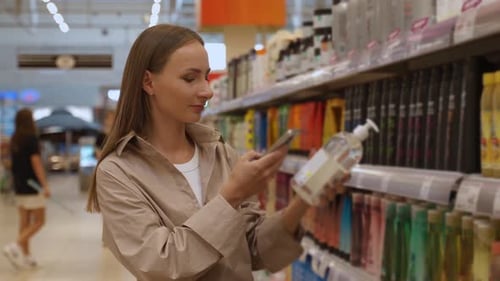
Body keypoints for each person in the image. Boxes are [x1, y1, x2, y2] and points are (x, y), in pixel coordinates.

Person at [86, 24, 338, 281]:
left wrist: (304, 199)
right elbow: (162, 264)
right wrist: (231, 196)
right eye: (189, 78)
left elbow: (253, 248)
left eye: (206, 77)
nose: (207, 90)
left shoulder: (219, 152)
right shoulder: (118, 172)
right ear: (149, 82)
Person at [3, 108, 50, 269]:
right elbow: (36, 163)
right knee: (40, 221)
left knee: (24, 222)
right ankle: (15, 245)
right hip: (32, 185)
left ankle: (27, 257)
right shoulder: (31, 139)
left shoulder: (14, 139)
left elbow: (10, 163)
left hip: (19, 186)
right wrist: (45, 185)